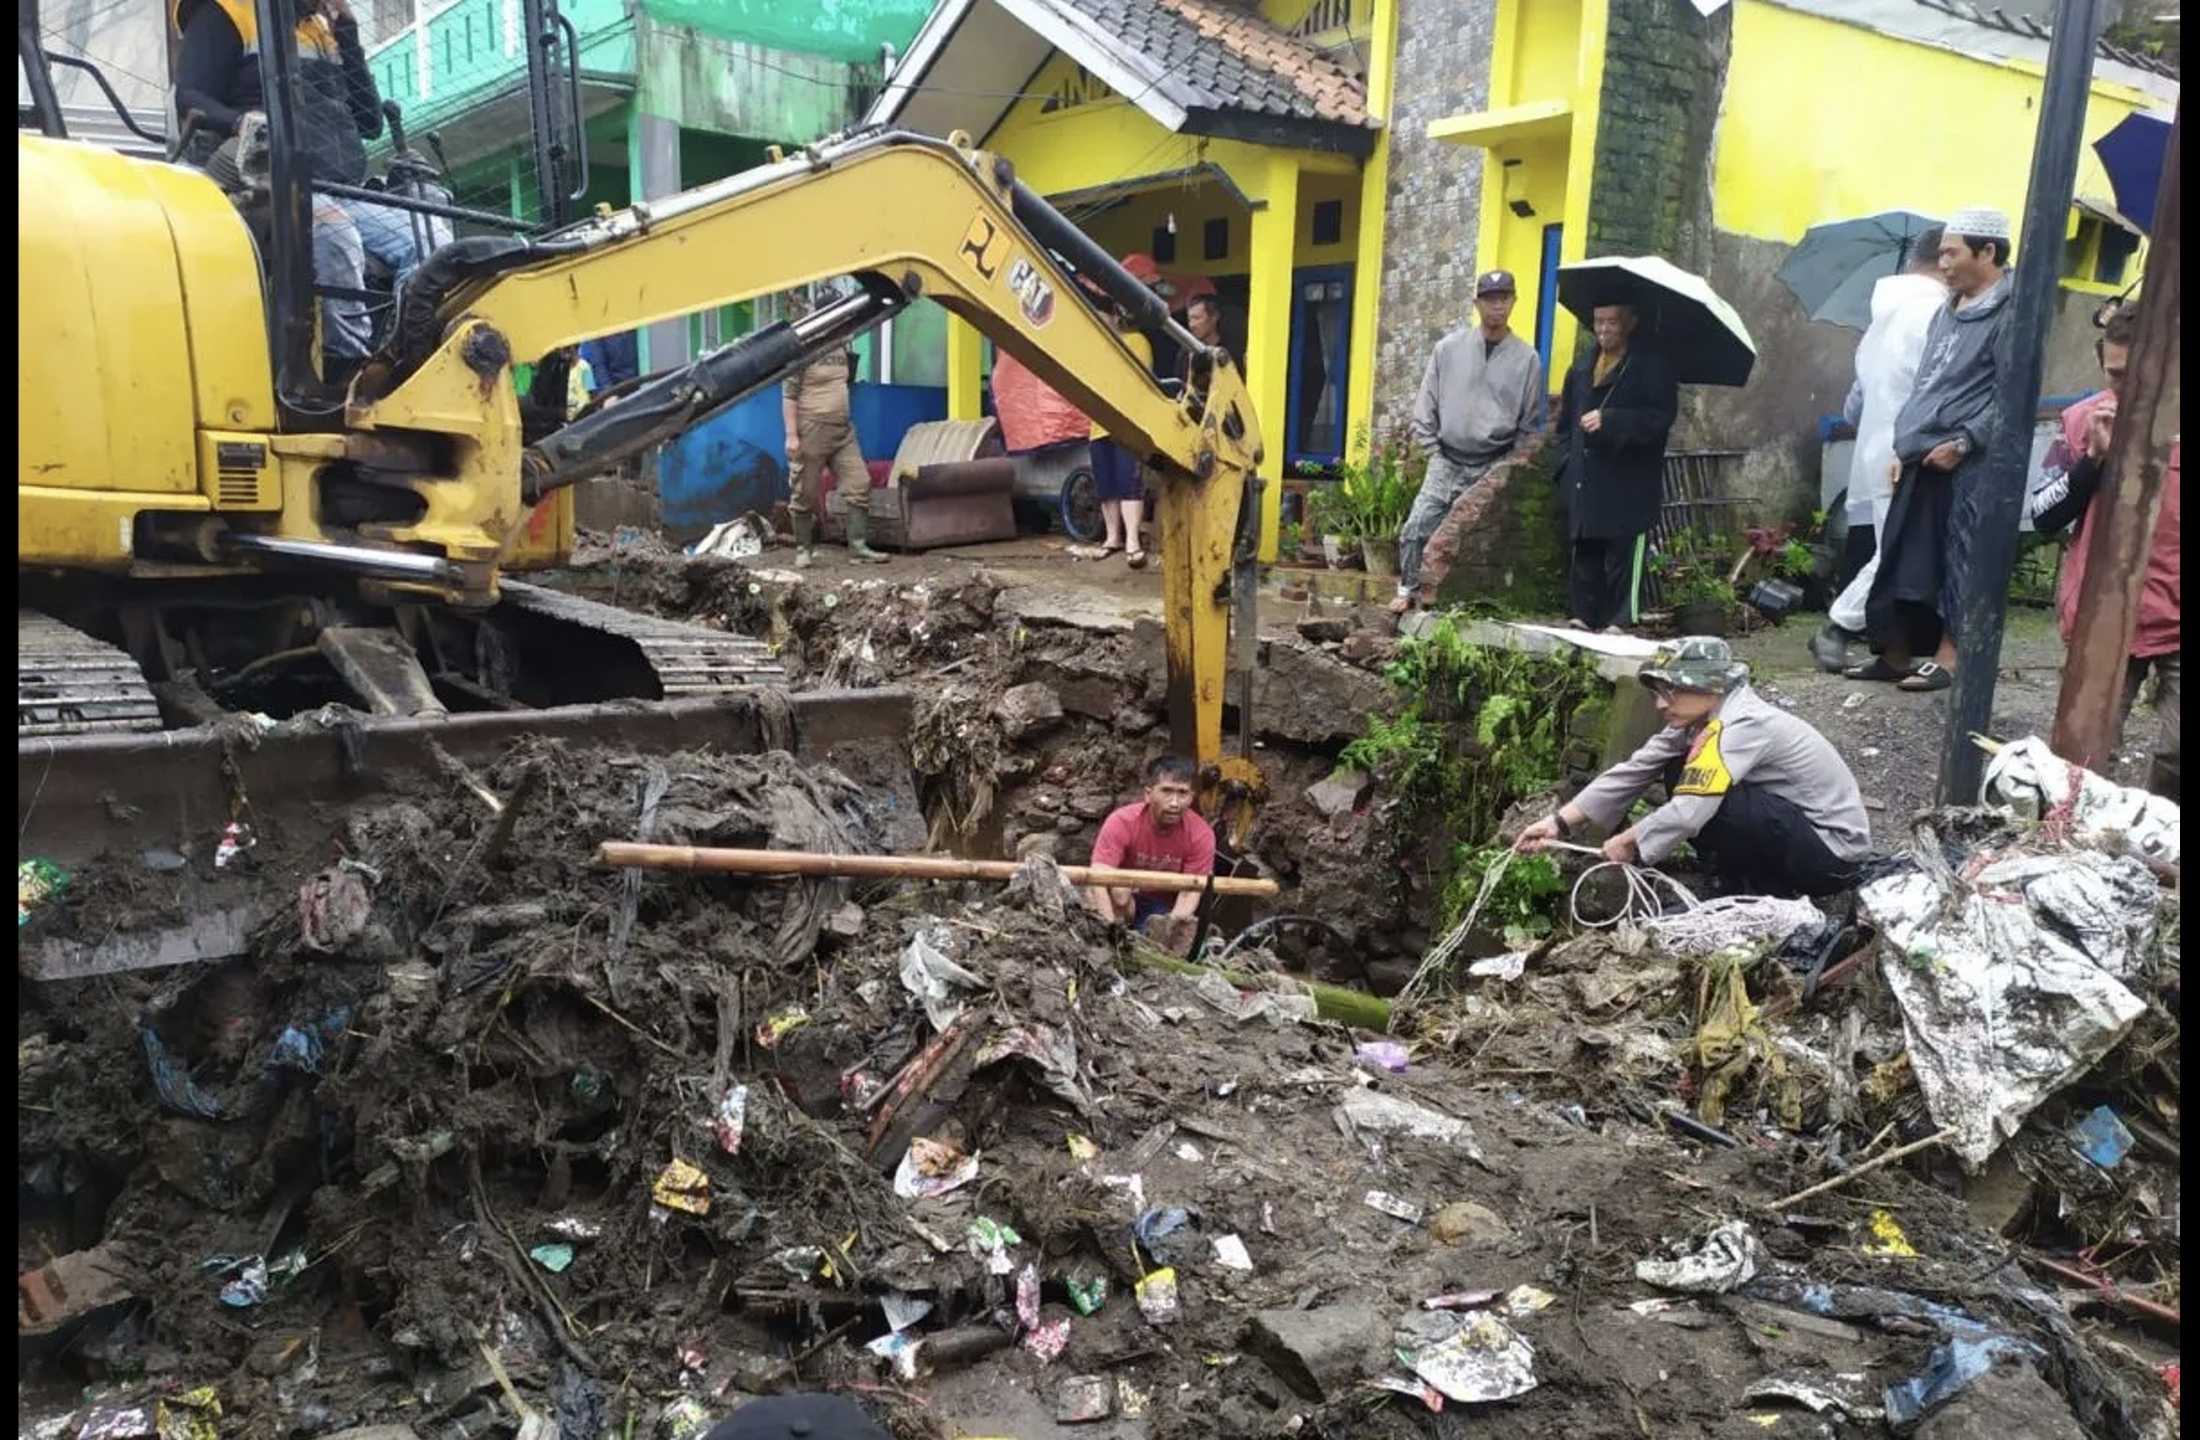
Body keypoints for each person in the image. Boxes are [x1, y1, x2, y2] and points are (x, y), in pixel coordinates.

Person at [174, 0, 432, 366]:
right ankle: (347, 365)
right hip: (268, 186)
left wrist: (348, 30)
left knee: (426, 238)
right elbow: (189, 96)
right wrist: (241, 124)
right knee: (334, 234)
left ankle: (404, 357)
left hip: (341, 186)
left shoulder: (323, 30)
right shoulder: (228, 12)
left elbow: (369, 121)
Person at [1518, 637, 1870, 899]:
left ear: (1710, 686)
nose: (1659, 704)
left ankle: (1761, 889)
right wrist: (1557, 823)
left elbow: (1689, 813)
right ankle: (1740, 882)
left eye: (1669, 691)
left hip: (1831, 856)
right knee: (1677, 769)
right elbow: (1635, 769)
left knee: (1715, 799)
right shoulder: (1697, 723)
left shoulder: (1741, 725)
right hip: (1798, 837)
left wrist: (1629, 842)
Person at [1856, 209, 2017, 693]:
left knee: (1960, 558)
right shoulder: (1949, 309)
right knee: (1903, 556)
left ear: (1987, 252)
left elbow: (2013, 395)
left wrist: (1967, 440)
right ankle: (1896, 653)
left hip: (1968, 460)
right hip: (1919, 452)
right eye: (1942, 253)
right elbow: (1928, 379)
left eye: (1952, 252)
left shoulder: (2012, 313)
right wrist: (1903, 443)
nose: (1942, 263)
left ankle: (1950, 657)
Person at [2029, 307, 2181, 801]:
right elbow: (2042, 513)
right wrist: (2093, 461)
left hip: (2176, 612)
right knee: (2085, 756)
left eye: (2136, 375)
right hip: (2103, 614)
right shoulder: (2083, 419)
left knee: (2178, 753)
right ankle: (2084, 848)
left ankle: (2165, 842)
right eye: (2114, 374)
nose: (2123, 387)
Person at [1811, 227, 1948, 673]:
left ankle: (1891, 651)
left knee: (1889, 548)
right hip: (1911, 450)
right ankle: (1837, 626)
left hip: (1876, 448)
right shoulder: (1937, 315)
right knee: (1896, 552)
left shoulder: (1884, 317)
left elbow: (1856, 401)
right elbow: (1936, 388)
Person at [1394, 270, 1548, 616]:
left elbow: (1530, 420)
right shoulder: (1448, 349)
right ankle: (1407, 587)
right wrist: (1432, 448)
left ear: (1513, 302)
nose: (1497, 307)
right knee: (1418, 525)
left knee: (1477, 535)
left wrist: (1508, 464)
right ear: (1477, 304)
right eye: (1489, 299)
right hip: (1446, 457)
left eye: (1504, 299)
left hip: (1491, 461)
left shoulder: (1527, 359)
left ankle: (1457, 601)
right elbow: (1426, 402)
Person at [1554, 303, 1679, 632]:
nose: (1604, 329)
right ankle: (1583, 615)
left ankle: (1621, 620)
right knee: (1586, 548)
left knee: (1623, 550)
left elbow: (1659, 419)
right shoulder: (1581, 368)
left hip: (1629, 479)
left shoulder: (1651, 368)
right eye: (1598, 322)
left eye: (1612, 322)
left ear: (1630, 323)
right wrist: (1566, 465)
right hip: (1586, 475)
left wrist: (1611, 420)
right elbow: (1564, 426)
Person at [782, 293, 887, 567]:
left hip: (842, 431)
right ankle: (803, 550)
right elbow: (789, 396)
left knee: (859, 483)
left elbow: (846, 382)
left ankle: (859, 546)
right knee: (804, 493)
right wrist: (792, 435)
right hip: (812, 429)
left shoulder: (843, 342)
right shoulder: (804, 346)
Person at [1086, 755, 1216, 934]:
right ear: (1148, 794)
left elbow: (1190, 894)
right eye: (1167, 791)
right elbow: (1097, 879)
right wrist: (1107, 930)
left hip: (1162, 909)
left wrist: (1167, 933)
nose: (1174, 803)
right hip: (1125, 899)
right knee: (1117, 893)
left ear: (1191, 798)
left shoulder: (1200, 834)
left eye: (1182, 793)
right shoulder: (1122, 821)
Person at [1091, 301, 1157, 567]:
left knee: (1129, 482)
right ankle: (1112, 537)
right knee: (1106, 485)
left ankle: (1132, 540)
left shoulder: (1137, 341)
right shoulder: (1095, 347)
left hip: (1127, 422)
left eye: (1102, 316)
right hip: (1097, 425)